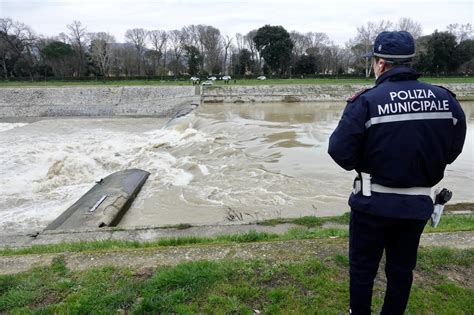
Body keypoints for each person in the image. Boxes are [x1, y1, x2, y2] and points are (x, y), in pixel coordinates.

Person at [328, 31, 466, 314]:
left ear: (380, 64)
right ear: (410, 61)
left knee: (363, 270)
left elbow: (339, 152)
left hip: (372, 204)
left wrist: (369, 163)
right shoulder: (445, 99)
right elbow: (453, 148)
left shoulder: (366, 102)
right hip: (416, 205)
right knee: (402, 270)